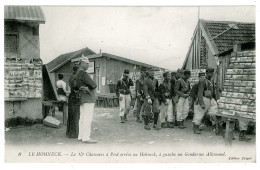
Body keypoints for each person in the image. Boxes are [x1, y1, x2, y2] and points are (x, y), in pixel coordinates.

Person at [75, 54, 97, 143]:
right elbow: (94, 85)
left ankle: (80, 136)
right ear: (82, 64)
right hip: (88, 98)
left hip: (82, 98)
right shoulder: (83, 73)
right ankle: (86, 137)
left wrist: (82, 87)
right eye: (87, 63)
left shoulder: (77, 73)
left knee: (82, 118)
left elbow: (75, 85)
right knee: (87, 118)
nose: (88, 65)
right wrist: (88, 87)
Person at [192, 67, 219, 135]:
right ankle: (195, 128)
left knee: (214, 112)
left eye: (212, 73)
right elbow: (200, 92)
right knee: (199, 114)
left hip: (210, 99)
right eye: (210, 73)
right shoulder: (203, 80)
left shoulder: (210, 81)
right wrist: (201, 103)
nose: (212, 74)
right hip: (204, 98)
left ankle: (216, 127)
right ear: (207, 73)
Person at [66, 65, 80, 138]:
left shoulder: (71, 77)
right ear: (77, 70)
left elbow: (70, 85)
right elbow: (76, 86)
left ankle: (69, 133)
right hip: (75, 96)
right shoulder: (76, 77)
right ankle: (74, 133)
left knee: (71, 115)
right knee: (76, 115)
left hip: (71, 96)